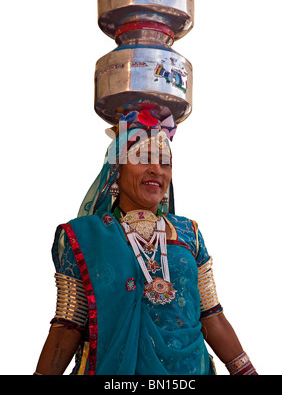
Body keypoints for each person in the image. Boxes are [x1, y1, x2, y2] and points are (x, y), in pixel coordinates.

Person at [35, 109, 257, 375]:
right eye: (143, 158)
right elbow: (69, 323)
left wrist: (246, 371)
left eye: (165, 163)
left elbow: (212, 314)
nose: (156, 170)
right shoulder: (84, 237)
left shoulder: (189, 233)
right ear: (116, 169)